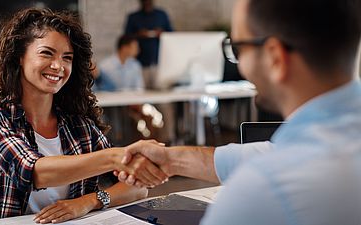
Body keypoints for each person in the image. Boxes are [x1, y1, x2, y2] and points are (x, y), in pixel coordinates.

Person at [117, 0, 361, 224]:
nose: (240, 64)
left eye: (238, 48)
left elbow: (269, 166)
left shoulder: (262, 191)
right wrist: (170, 160)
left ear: (275, 57)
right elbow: (264, 153)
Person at [0, 8, 167, 223]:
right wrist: (115, 157)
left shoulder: (79, 125)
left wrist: (89, 201)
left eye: (67, 58)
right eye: (47, 53)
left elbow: (138, 188)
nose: (58, 66)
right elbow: (34, 173)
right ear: (19, 58)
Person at [124, 0, 173, 89]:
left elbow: (172, 35)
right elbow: (126, 38)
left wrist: (162, 33)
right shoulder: (133, 17)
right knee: (142, 95)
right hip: (140, 63)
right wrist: (138, 34)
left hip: (159, 62)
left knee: (162, 96)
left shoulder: (161, 15)